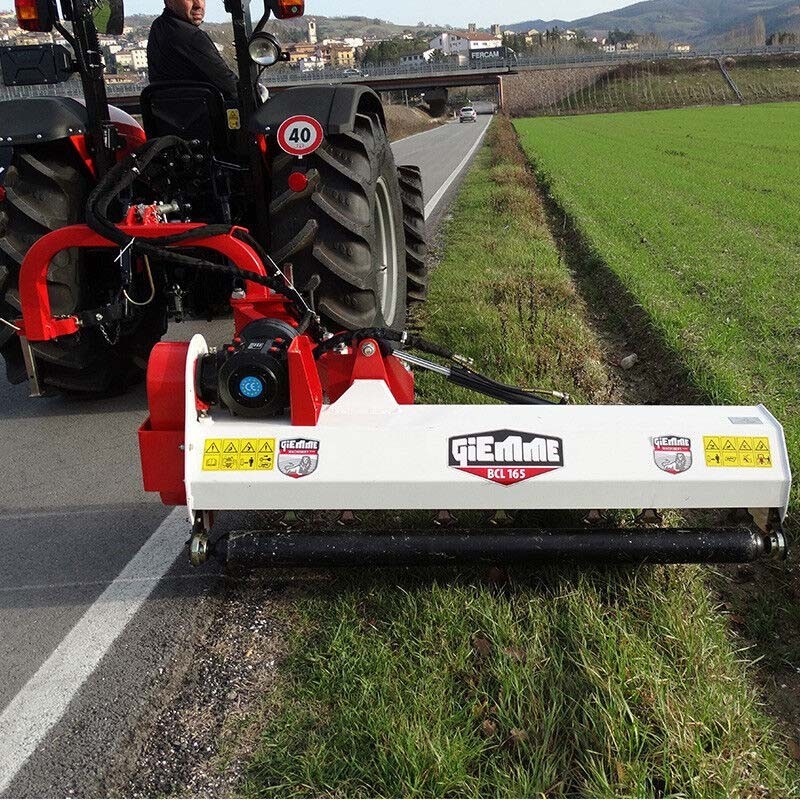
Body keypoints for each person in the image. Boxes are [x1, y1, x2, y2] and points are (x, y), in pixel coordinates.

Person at [147, 0, 238, 102]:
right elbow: (231, 86)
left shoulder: (158, 27)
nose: (198, 5)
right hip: (201, 111)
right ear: (169, 2)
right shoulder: (191, 36)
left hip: (168, 110)